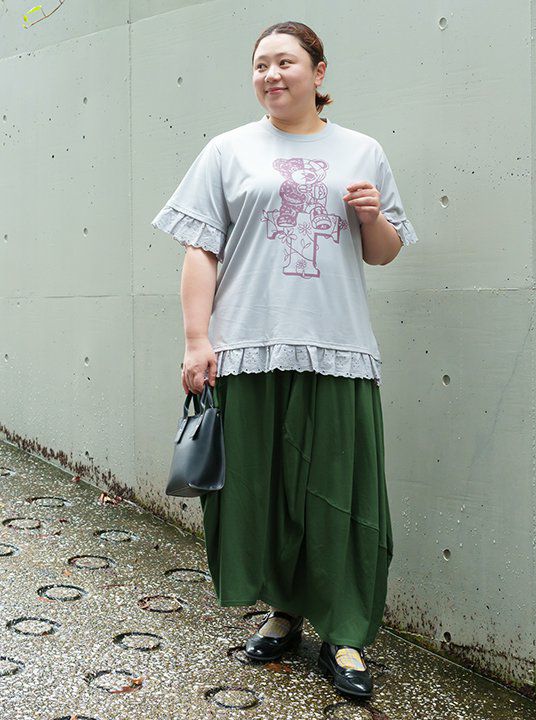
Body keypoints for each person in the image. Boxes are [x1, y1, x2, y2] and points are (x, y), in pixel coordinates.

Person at [151, 20, 419, 700]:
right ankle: (284, 612)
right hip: (247, 344)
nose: (271, 75)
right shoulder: (227, 150)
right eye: (260, 64)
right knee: (261, 488)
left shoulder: (362, 150)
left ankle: (347, 632)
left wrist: (371, 217)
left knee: (340, 493)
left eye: (286, 62)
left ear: (319, 73)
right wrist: (196, 340)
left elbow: (383, 253)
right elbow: (200, 250)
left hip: (337, 346)